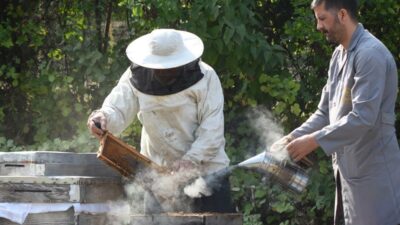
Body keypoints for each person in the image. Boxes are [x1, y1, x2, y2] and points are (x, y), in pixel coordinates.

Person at [271, 0, 400, 224]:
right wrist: (293, 137)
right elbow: (324, 113)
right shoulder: (339, 55)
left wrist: (313, 141)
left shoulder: (371, 54)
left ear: (342, 14)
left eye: (322, 19)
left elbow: (363, 117)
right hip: (347, 174)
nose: (318, 27)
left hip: (374, 176)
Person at [87, 29, 233, 213]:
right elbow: (116, 108)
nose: (165, 70)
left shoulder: (206, 77)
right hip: (160, 179)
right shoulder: (135, 76)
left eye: (170, 66)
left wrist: (191, 159)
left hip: (207, 174)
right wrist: (103, 117)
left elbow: (212, 129)